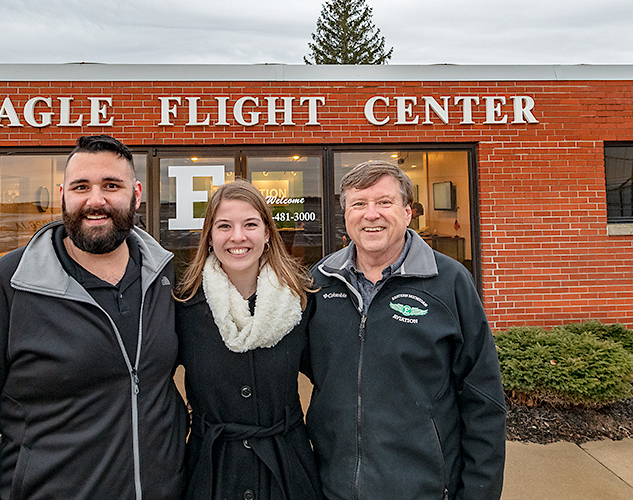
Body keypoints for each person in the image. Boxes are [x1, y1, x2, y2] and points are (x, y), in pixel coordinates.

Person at [0, 135, 188, 499]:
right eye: (81, 186)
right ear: (63, 195)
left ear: (135, 194)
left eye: (111, 186)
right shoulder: (7, 285)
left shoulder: (164, 278)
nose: (95, 200)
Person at [306, 161, 506, 500]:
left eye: (384, 202)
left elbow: (483, 400)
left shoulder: (450, 282)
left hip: (423, 489)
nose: (371, 215)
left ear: (408, 212)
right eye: (359, 204)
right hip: (333, 487)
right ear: (346, 215)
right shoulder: (320, 282)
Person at [175, 180, 322, 500]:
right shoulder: (184, 305)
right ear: (210, 237)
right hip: (211, 473)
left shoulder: (301, 301)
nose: (238, 237)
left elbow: (332, 379)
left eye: (250, 224)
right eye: (224, 226)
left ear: (267, 233)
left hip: (287, 471)